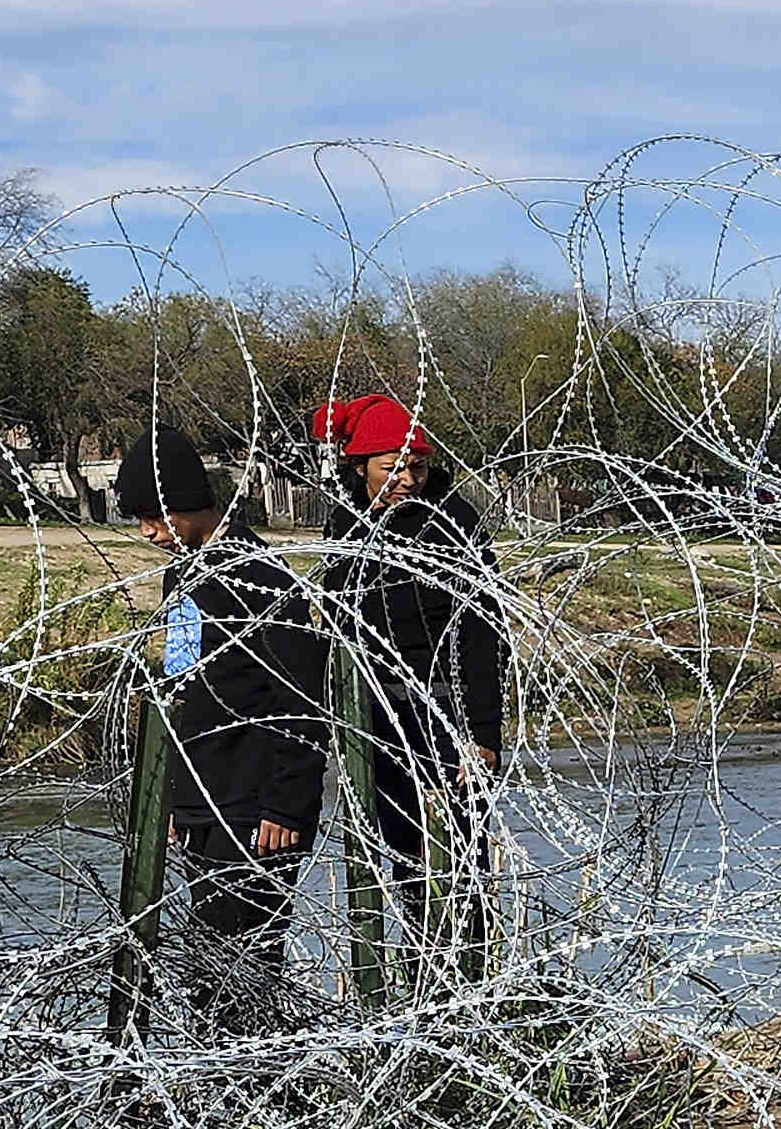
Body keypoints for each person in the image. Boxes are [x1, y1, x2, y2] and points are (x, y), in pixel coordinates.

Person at [120, 423, 328, 1031]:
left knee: (247, 972)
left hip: (255, 811)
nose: (149, 533)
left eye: (155, 516)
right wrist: (175, 805)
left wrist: (287, 807)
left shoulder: (259, 580)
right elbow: (185, 696)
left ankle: (261, 1104)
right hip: (203, 804)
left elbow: (302, 700)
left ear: (186, 501)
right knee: (210, 971)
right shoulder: (184, 577)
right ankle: (230, 1100)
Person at [316, 394, 501, 945]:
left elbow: (481, 632)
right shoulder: (346, 523)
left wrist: (482, 735)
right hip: (373, 714)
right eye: (391, 467)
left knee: (458, 864)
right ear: (360, 467)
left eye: (417, 466)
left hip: (444, 712)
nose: (408, 479)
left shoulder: (453, 523)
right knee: (403, 857)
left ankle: (467, 978)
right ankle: (427, 976)